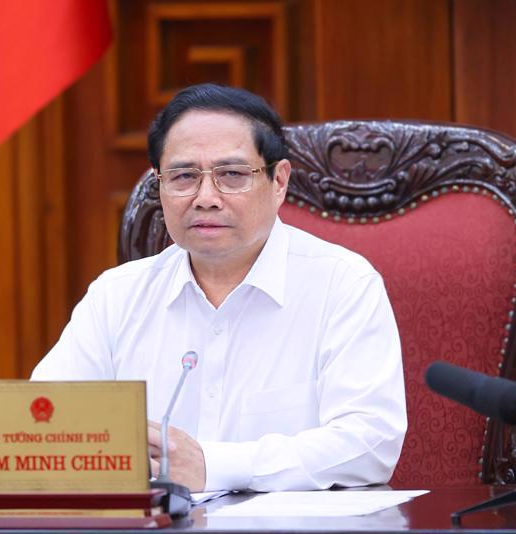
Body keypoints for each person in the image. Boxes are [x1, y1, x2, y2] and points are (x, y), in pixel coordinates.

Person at [31, 84, 406, 492]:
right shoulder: (116, 295)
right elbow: (47, 424)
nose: (206, 198)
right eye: (184, 176)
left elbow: (370, 443)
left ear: (278, 181)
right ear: (159, 183)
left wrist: (215, 466)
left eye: (231, 175)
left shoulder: (342, 284)